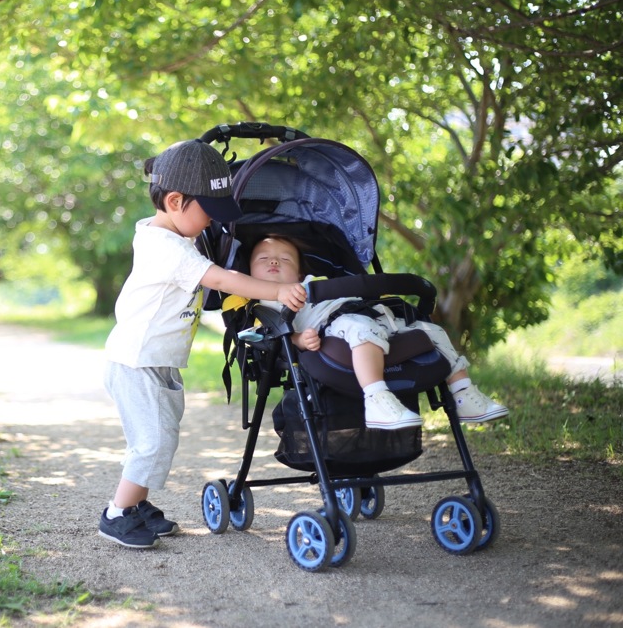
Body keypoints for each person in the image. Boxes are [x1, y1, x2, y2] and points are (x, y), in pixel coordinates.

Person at [101, 140, 309, 550]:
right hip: (138, 361)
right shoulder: (167, 247)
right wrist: (280, 288)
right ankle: (117, 513)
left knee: (160, 434)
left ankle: (137, 504)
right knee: (153, 441)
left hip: (153, 360)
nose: (212, 222)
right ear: (176, 201)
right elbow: (221, 281)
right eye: (208, 212)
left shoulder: (173, 236)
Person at [224, 235, 509, 431]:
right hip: (335, 330)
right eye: (264, 258)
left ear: (300, 274)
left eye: (285, 259)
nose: (274, 261)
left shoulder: (318, 282)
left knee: (431, 329)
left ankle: (463, 393)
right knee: (361, 327)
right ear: (248, 271)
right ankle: (376, 398)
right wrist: (296, 339)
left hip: (370, 315)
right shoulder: (260, 304)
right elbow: (260, 337)